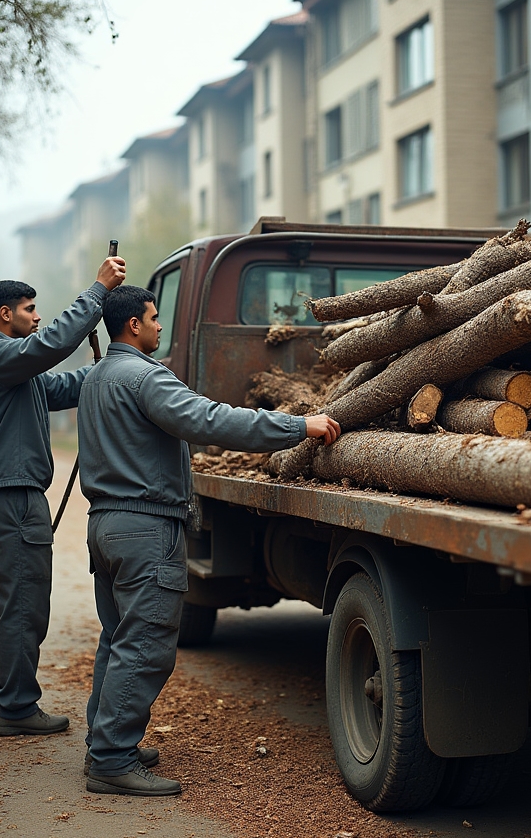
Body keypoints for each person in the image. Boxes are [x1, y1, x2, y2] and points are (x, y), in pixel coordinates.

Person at [77, 285, 340, 796]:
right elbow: (210, 420)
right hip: (145, 528)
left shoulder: (97, 376)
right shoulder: (143, 377)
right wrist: (298, 425)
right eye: (154, 318)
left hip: (106, 526)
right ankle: (111, 760)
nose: (158, 326)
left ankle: (105, 742)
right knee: (146, 646)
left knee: (118, 638)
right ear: (133, 325)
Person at [0, 256, 126, 736]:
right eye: (29, 309)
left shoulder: (14, 371)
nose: (36, 317)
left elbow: (61, 384)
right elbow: (52, 345)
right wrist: (97, 292)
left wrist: (117, 368)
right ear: (4, 315)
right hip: (12, 501)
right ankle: (15, 709)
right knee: (22, 607)